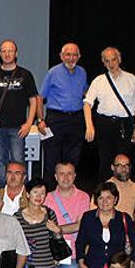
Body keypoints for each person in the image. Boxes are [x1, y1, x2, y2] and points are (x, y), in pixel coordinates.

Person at [0, 40, 39, 187]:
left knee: (18, 162)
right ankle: (3, 191)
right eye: (4, 51)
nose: (7, 54)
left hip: (18, 128)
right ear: (0, 54)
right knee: (0, 161)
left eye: (10, 51)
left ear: (16, 53)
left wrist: (28, 124)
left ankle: (20, 194)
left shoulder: (25, 75)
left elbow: (34, 100)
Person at [83, 47, 135, 179]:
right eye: (107, 61)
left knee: (124, 162)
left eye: (113, 60)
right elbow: (87, 103)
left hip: (125, 125)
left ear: (119, 59)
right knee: (105, 161)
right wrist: (89, 125)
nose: (111, 64)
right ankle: (105, 194)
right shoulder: (99, 81)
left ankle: (125, 193)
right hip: (104, 125)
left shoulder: (131, 79)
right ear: (103, 63)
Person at [38, 42, 87, 184]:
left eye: (74, 55)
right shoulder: (53, 73)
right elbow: (40, 98)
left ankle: (69, 196)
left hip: (76, 120)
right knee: (51, 161)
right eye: (68, 54)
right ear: (61, 56)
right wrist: (41, 120)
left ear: (79, 56)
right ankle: (48, 198)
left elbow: (86, 92)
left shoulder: (82, 72)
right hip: (55, 119)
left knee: (73, 160)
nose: (71, 58)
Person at [92, 153, 135, 220]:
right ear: (112, 167)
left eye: (126, 165)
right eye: (119, 165)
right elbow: (92, 212)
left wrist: (129, 221)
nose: (123, 169)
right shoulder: (104, 187)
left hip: (126, 228)